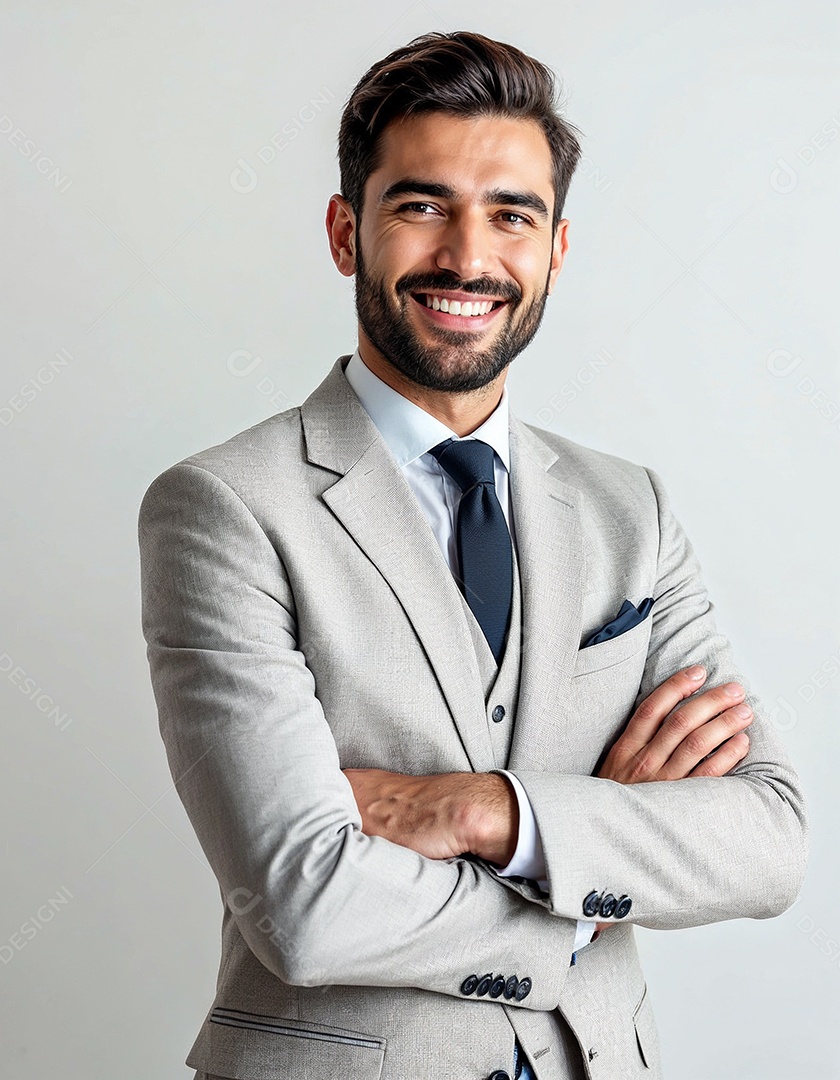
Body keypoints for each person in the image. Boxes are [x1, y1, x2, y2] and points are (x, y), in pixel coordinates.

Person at [138, 30, 807, 1080]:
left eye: (511, 214)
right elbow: (306, 907)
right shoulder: (224, 508)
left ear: (557, 247)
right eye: (421, 205)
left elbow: (767, 841)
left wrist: (488, 812)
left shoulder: (631, 508)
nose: (468, 256)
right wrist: (591, 871)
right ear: (344, 230)